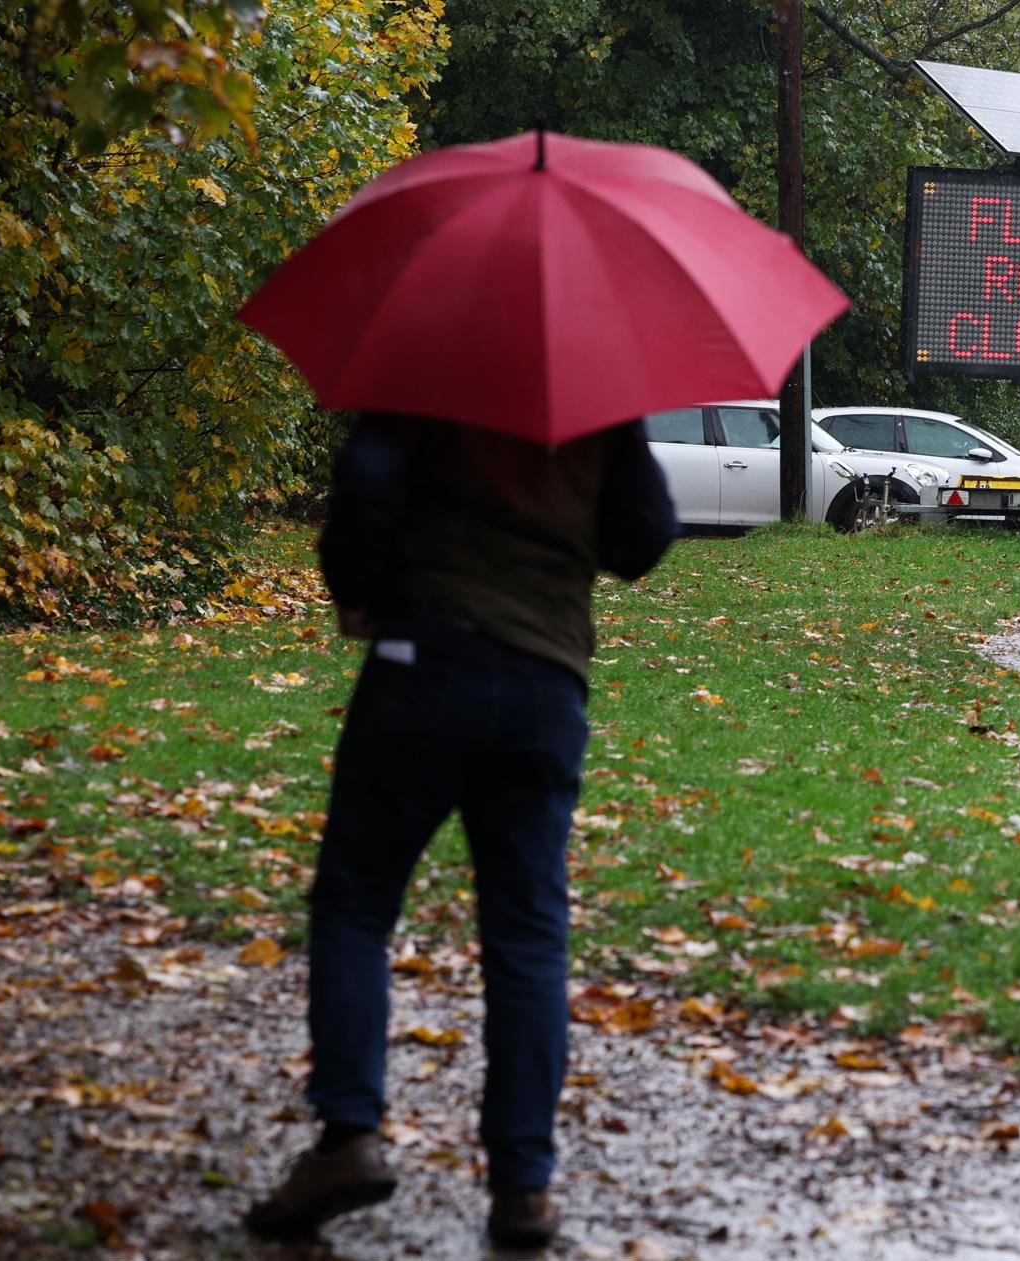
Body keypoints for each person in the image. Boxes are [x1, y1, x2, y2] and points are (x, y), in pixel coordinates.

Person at [244, 414, 677, 1249]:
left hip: (426, 658)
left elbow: (367, 484)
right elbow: (643, 537)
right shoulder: (594, 396)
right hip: (547, 683)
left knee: (356, 903)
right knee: (528, 935)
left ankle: (348, 1136)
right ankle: (523, 1189)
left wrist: (357, 588)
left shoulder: (429, 365)